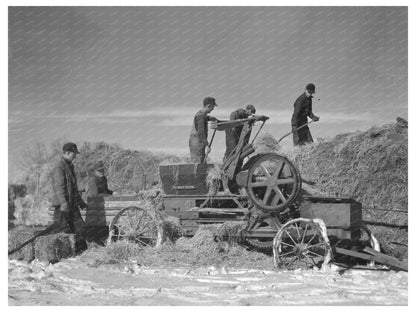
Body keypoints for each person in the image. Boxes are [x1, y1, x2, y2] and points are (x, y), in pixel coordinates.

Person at [51, 142, 88, 251]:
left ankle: (81, 251)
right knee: (62, 231)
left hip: (72, 204)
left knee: (80, 227)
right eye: (74, 153)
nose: (75, 156)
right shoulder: (59, 167)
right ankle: (60, 254)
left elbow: (74, 188)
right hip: (62, 205)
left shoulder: (70, 166)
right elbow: (59, 187)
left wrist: (80, 202)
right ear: (67, 153)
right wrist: (63, 203)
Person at [189, 97, 218, 163]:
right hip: (197, 142)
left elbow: (204, 118)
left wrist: (211, 118)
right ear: (209, 106)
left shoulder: (201, 114)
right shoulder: (201, 116)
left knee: (201, 161)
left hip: (197, 142)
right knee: (198, 163)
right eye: (213, 107)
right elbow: (201, 132)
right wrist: (207, 145)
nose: (213, 109)